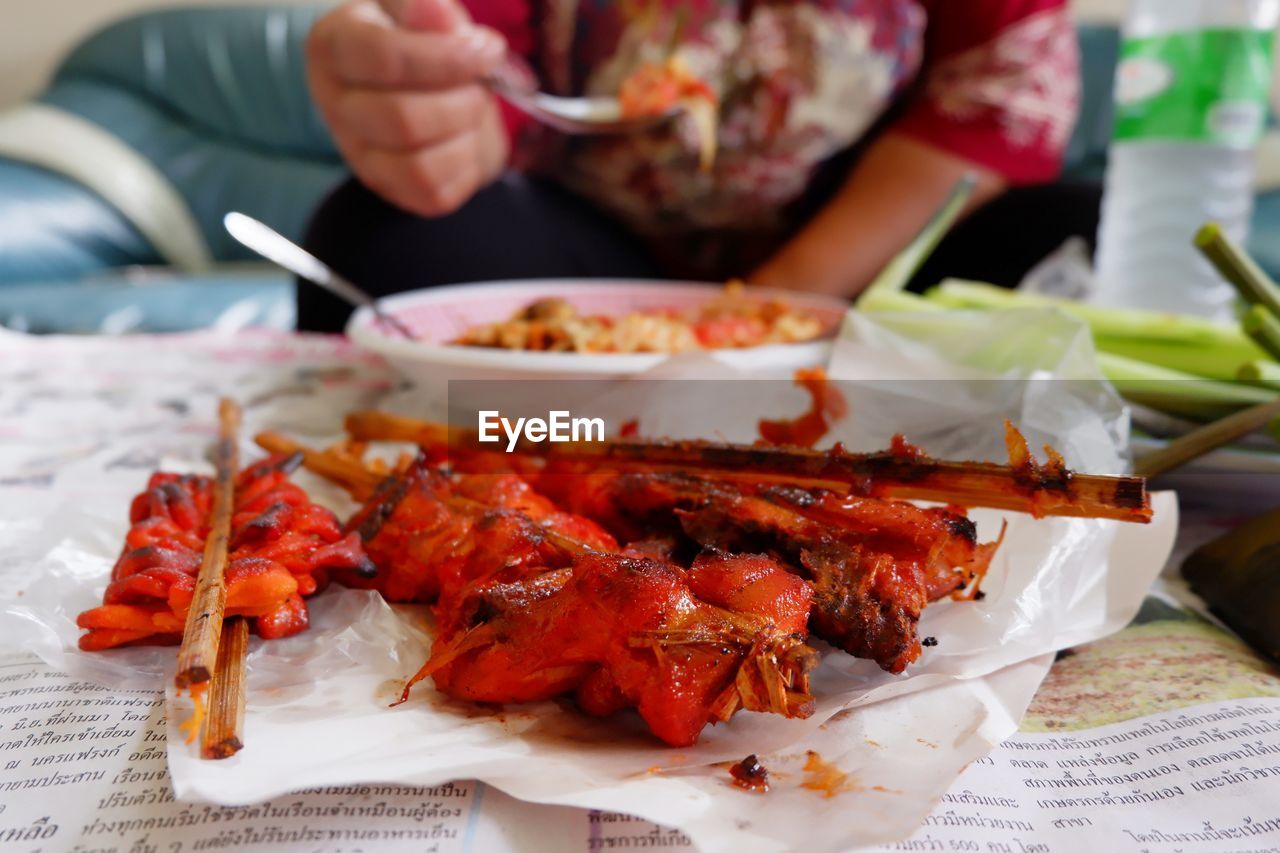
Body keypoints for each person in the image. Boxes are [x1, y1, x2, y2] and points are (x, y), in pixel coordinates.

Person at [299, 0, 1097, 331]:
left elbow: (995, 99)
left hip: (863, 260)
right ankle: (512, 439)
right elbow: (487, 61)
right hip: (599, 255)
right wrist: (441, 105)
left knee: (1077, 239)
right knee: (378, 234)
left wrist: (766, 310)